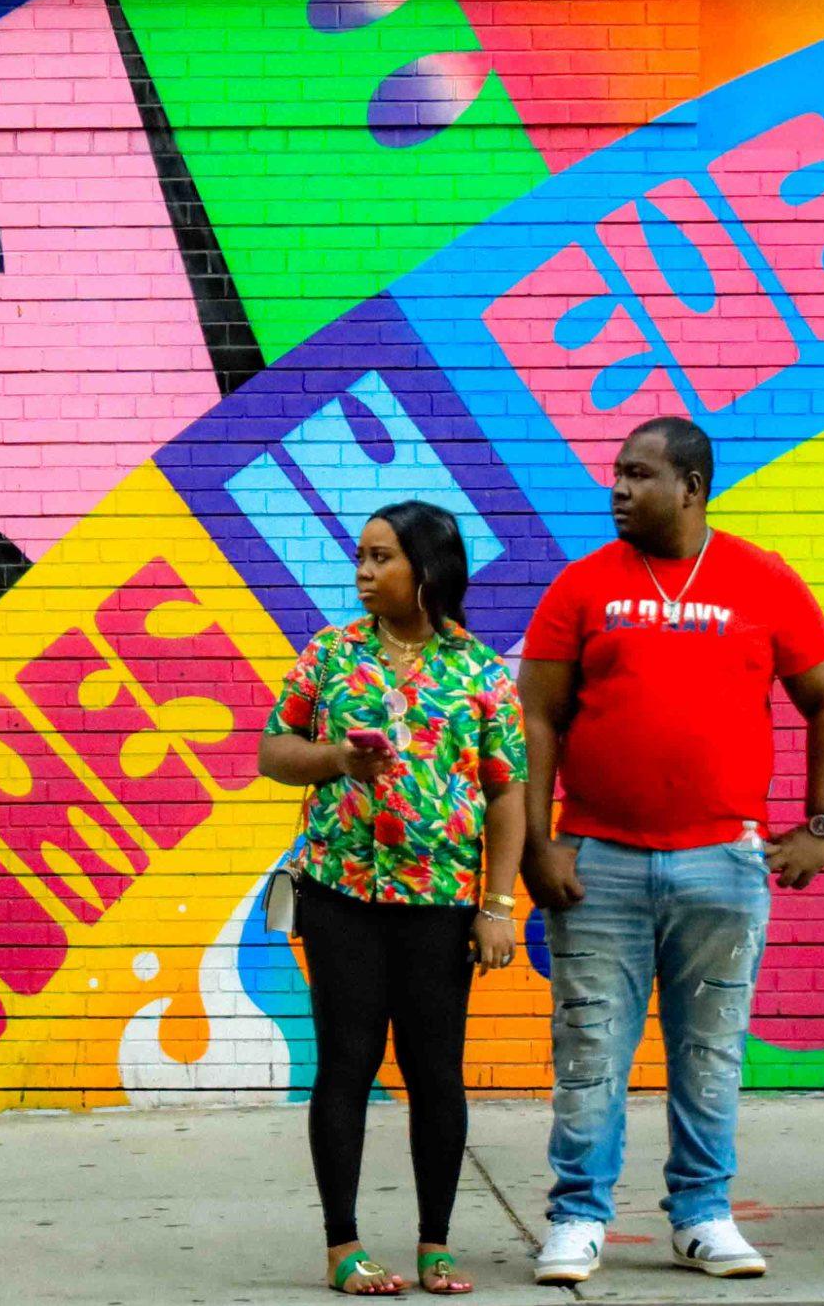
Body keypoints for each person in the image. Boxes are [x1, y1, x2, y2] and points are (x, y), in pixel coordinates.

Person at [517, 416, 824, 1284]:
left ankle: (702, 1215)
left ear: (691, 486)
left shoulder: (763, 580)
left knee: (710, 1051)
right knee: (590, 1048)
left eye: (638, 473)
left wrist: (821, 826)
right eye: (617, 472)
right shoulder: (582, 585)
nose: (618, 488)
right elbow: (537, 718)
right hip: (598, 863)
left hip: (725, 866)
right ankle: (577, 1218)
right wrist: (538, 843)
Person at [258, 499, 529, 1296]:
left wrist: (498, 905)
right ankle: (342, 1245)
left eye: (383, 558)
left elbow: (507, 794)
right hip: (340, 893)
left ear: (428, 569)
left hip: (440, 902)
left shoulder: (481, 671)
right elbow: (274, 750)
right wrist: (337, 758)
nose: (365, 572)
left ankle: (436, 1242)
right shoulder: (331, 654)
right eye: (362, 557)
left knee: (435, 1070)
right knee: (346, 1063)